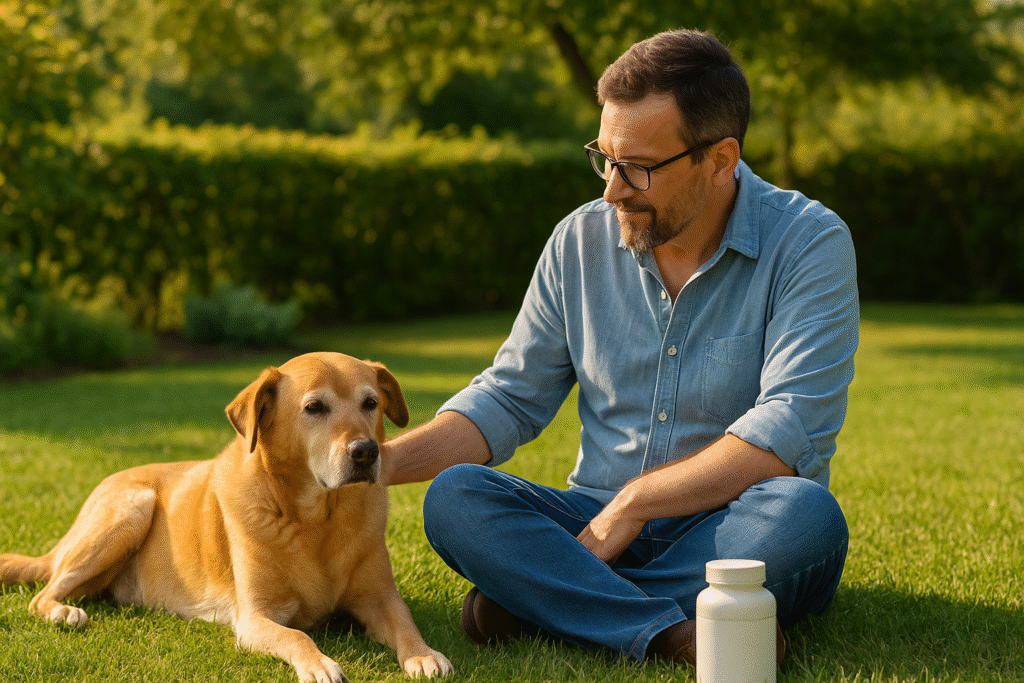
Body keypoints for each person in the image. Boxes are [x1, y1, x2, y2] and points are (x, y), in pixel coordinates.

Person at [388, 28, 858, 667]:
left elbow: (787, 429)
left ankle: (547, 600)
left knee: (806, 515)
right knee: (457, 498)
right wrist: (372, 466)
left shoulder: (807, 243)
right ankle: (675, 635)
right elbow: (508, 398)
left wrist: (637, 502)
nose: (611, 188)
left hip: (731, 525)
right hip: (593, 517)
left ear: (720, 160)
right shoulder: (577, 242)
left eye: (638, 167)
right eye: (604, 158)